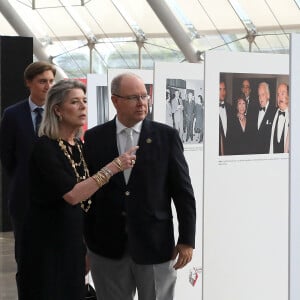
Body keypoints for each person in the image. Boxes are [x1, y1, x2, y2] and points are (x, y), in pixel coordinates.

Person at [18, 79, 137, 299]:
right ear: (57, 110)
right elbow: (73, 195)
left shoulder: (79, 146)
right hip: (45, 246)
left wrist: (88, 249)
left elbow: (89, 203)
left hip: (73, 244)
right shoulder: (45, 148)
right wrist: (114, 167)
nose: (83, 106)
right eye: (75, 102)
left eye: (84, 101)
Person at [83, 72, 196, 300]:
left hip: (155, 245)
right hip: (107, 248)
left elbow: (183, 193)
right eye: (134, 97)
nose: (142, 103)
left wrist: (186, 240)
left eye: (145, 96)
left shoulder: (167, 137)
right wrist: (86, 245)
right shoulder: (94, 138)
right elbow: (89, 196)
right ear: (115, 101)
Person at [0, 61, 56, 295]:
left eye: (51, 81)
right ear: (29, 83)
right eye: (43, 81)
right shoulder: (12, 114)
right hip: (24, 199)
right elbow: (7, 155)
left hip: (56, 197)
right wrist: (25, 178)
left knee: (53, 257)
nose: (48, 86)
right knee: (26, 258)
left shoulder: (59, 111)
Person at [251, 82, 276, 154]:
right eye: (259, 95)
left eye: (263, 94)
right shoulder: (255, 111)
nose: (260, 98)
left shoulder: (275, 112)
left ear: (268, 95)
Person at [269, 83, 289, 153]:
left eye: (283, 93)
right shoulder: (272, 114)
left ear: (289, 96)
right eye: (278, 94)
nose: (280, 97)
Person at [219, 79, 233, 155]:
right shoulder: (210, 109)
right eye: (220, 89)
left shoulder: (230, 108)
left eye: (224, 89)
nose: (223, 92)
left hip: (229, 151)